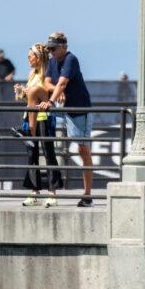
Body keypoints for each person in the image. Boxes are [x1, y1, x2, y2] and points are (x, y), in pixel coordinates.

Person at [40, 31, 94, 207]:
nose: (51, 52)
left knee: (83, 150)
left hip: (79, 110)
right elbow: (47, 83)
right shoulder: (52, 61)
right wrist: (57, 92)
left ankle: (87, 195)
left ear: (63, 47)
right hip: (62, 109)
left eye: (54, 49)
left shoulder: (71, 59)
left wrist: (51, 100)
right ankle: (50, 191)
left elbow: (63, 83)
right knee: (47, 144)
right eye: (49, 49)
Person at [16, 43, 62, 207]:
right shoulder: (31, 73)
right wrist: (22, 93)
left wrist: (32, 92)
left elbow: (49, 94)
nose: (28, 59)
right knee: (32, 155)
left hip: (45, 117)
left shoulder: (48, 73)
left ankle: (52, 193)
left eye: (30, 56)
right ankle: (34, 191)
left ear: (38, 57)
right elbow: (29, 99)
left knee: (49, 154)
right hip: (30, 116)